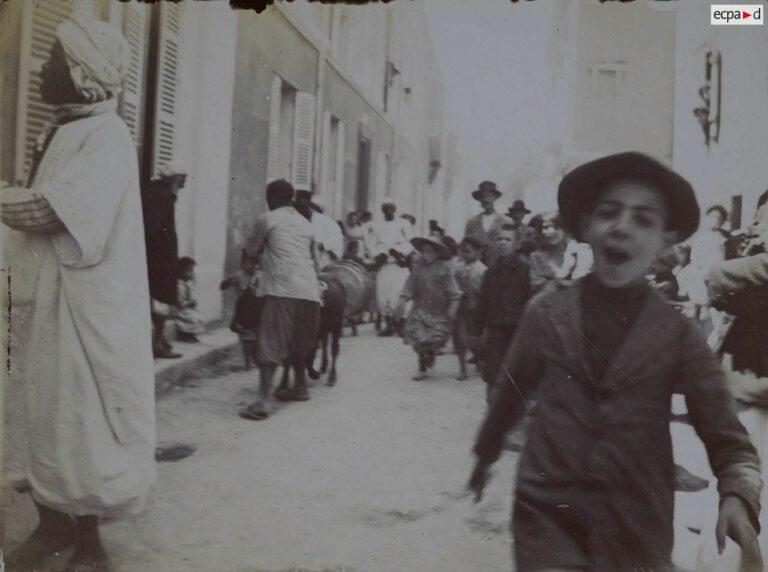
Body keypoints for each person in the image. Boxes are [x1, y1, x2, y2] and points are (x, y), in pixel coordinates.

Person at [468, 152, 763, 572]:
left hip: (635, 523)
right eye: (609, 213)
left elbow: (728, 437)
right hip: (547, 513)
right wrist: (485, 454)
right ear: (586, 227)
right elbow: (508, 395)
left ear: (665, 241)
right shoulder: (546, 313)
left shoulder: (678, 334)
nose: (623, 226)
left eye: (643, 219)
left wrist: (737, 497)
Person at [0, 11, 156, 570]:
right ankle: (51, 526)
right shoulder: (64, 131)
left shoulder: (107, 137)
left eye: (53, 61)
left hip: (85, 308)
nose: (43, 70)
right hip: (46, 297)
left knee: (81, 415)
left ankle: (88, 542)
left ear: (81, 74)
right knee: (40, 412)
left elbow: (50, 211)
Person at [240, 179, 321, 420]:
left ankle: (262, 402)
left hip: (282, 289)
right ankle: (300, 387)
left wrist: (249, 270)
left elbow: (251, 252)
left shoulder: (267, 219)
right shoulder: (305, 223)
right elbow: (316, 261)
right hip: (310, 291)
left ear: (271, 198)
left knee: (270, 343)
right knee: (298, 341)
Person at [474, 224, 532, 404]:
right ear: (494, 242)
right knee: (493, 371)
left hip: (518, 330)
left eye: (508, 239)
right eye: (499, 239)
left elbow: (530, 299)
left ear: (516, 244)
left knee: (517, 371)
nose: (502, 243)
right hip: (496, 329)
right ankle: (492, 406)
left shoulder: (525, 269)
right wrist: (476, 331)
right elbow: (483, 303)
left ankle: (515, 408)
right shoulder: (490, 272)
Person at [394, 237, 461, 380]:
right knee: (416, 336)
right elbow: (409, 287)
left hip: (438, 312)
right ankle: (421, 366)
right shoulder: (417, 269)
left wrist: (452, 308)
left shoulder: (444, 269)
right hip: (419, 311)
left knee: (434, 339)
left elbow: (453, 291)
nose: (425, 255)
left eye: (429, 252)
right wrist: (402, 302)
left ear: (436, 254)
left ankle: (431, 353)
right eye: (423, 251)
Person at [141, 161, 187, 359]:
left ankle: (159, 340)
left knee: (159, 300)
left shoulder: (160, 193)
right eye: (183, 178)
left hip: (158, 257)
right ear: (175, 178)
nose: (185, 183)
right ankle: (157, 343)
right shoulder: (162, 196)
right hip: (159, 259)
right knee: (161, 299)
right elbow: (156, 229)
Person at [370, 201, 413, 336]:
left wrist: (400, 252)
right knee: (383, 296)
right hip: (384, 265)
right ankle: (389, 325)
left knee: (399, 294)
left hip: (399, 265)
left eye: (391, 208)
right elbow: (372, 244)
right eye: (386, 208)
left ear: (395, 209)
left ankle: (401, 325)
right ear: (382, 210)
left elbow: (411, 242)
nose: (389, 211)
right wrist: (378, 254)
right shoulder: (376, 225)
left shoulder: (403, 224)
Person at [220, 250, 261, 370]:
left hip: (256, 309)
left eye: (253, 263)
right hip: (242, 309)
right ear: (242, 264)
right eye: (246, 263)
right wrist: (229, 282)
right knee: (244, 336)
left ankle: (255, 360)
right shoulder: (238, 275)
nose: (250, 266)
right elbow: (222, 286)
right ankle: (247, 362)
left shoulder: (259, 276)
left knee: (256, 336)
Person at [453, 237, 487, 380]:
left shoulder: (482, 270)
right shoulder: (457, 268)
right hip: (461, 309)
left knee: (477, 339)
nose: (464, 254)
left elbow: (486, 292)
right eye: (462, 251)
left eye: (467, 251)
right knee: (460, 338)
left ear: (478, 252)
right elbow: (453, 285)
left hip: (477, 310)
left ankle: (480, 360)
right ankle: (462, 370)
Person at [464, 181, 513, 266]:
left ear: (495, 198)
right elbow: (466, 247)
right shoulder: (472, 223)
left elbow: (511, 248)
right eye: (483, 197)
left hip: (499, 267)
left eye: (489, 196)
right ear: (479, 199)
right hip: (477, 268)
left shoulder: (505, 222)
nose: (486, 200)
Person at [295, 189, 344, 270]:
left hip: (330, 256)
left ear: (308, 208)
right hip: (323, 252)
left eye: (301, 208)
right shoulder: (312, 219)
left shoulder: (318, 220)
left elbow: (316, 246)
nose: (298, 211)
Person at [528, 211, 574, 295]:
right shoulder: (537, 257)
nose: (551, 232)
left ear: (564, 230)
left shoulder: (577, 252)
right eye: (546, 228)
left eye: (556, 227)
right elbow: (536, 286)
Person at [174, 256, 205, 343]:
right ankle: (184, 335)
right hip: (180, 309)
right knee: (191, 318)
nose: (191, 274)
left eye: (192, 271)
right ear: (180, 271)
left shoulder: (189, 283)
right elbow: (179, 302)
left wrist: (193, 301)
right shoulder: (178, 285)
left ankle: (191, 334)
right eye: (188, 271)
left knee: (197, 317)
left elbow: (192, 294)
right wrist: (189, 303)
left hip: (188, 308)